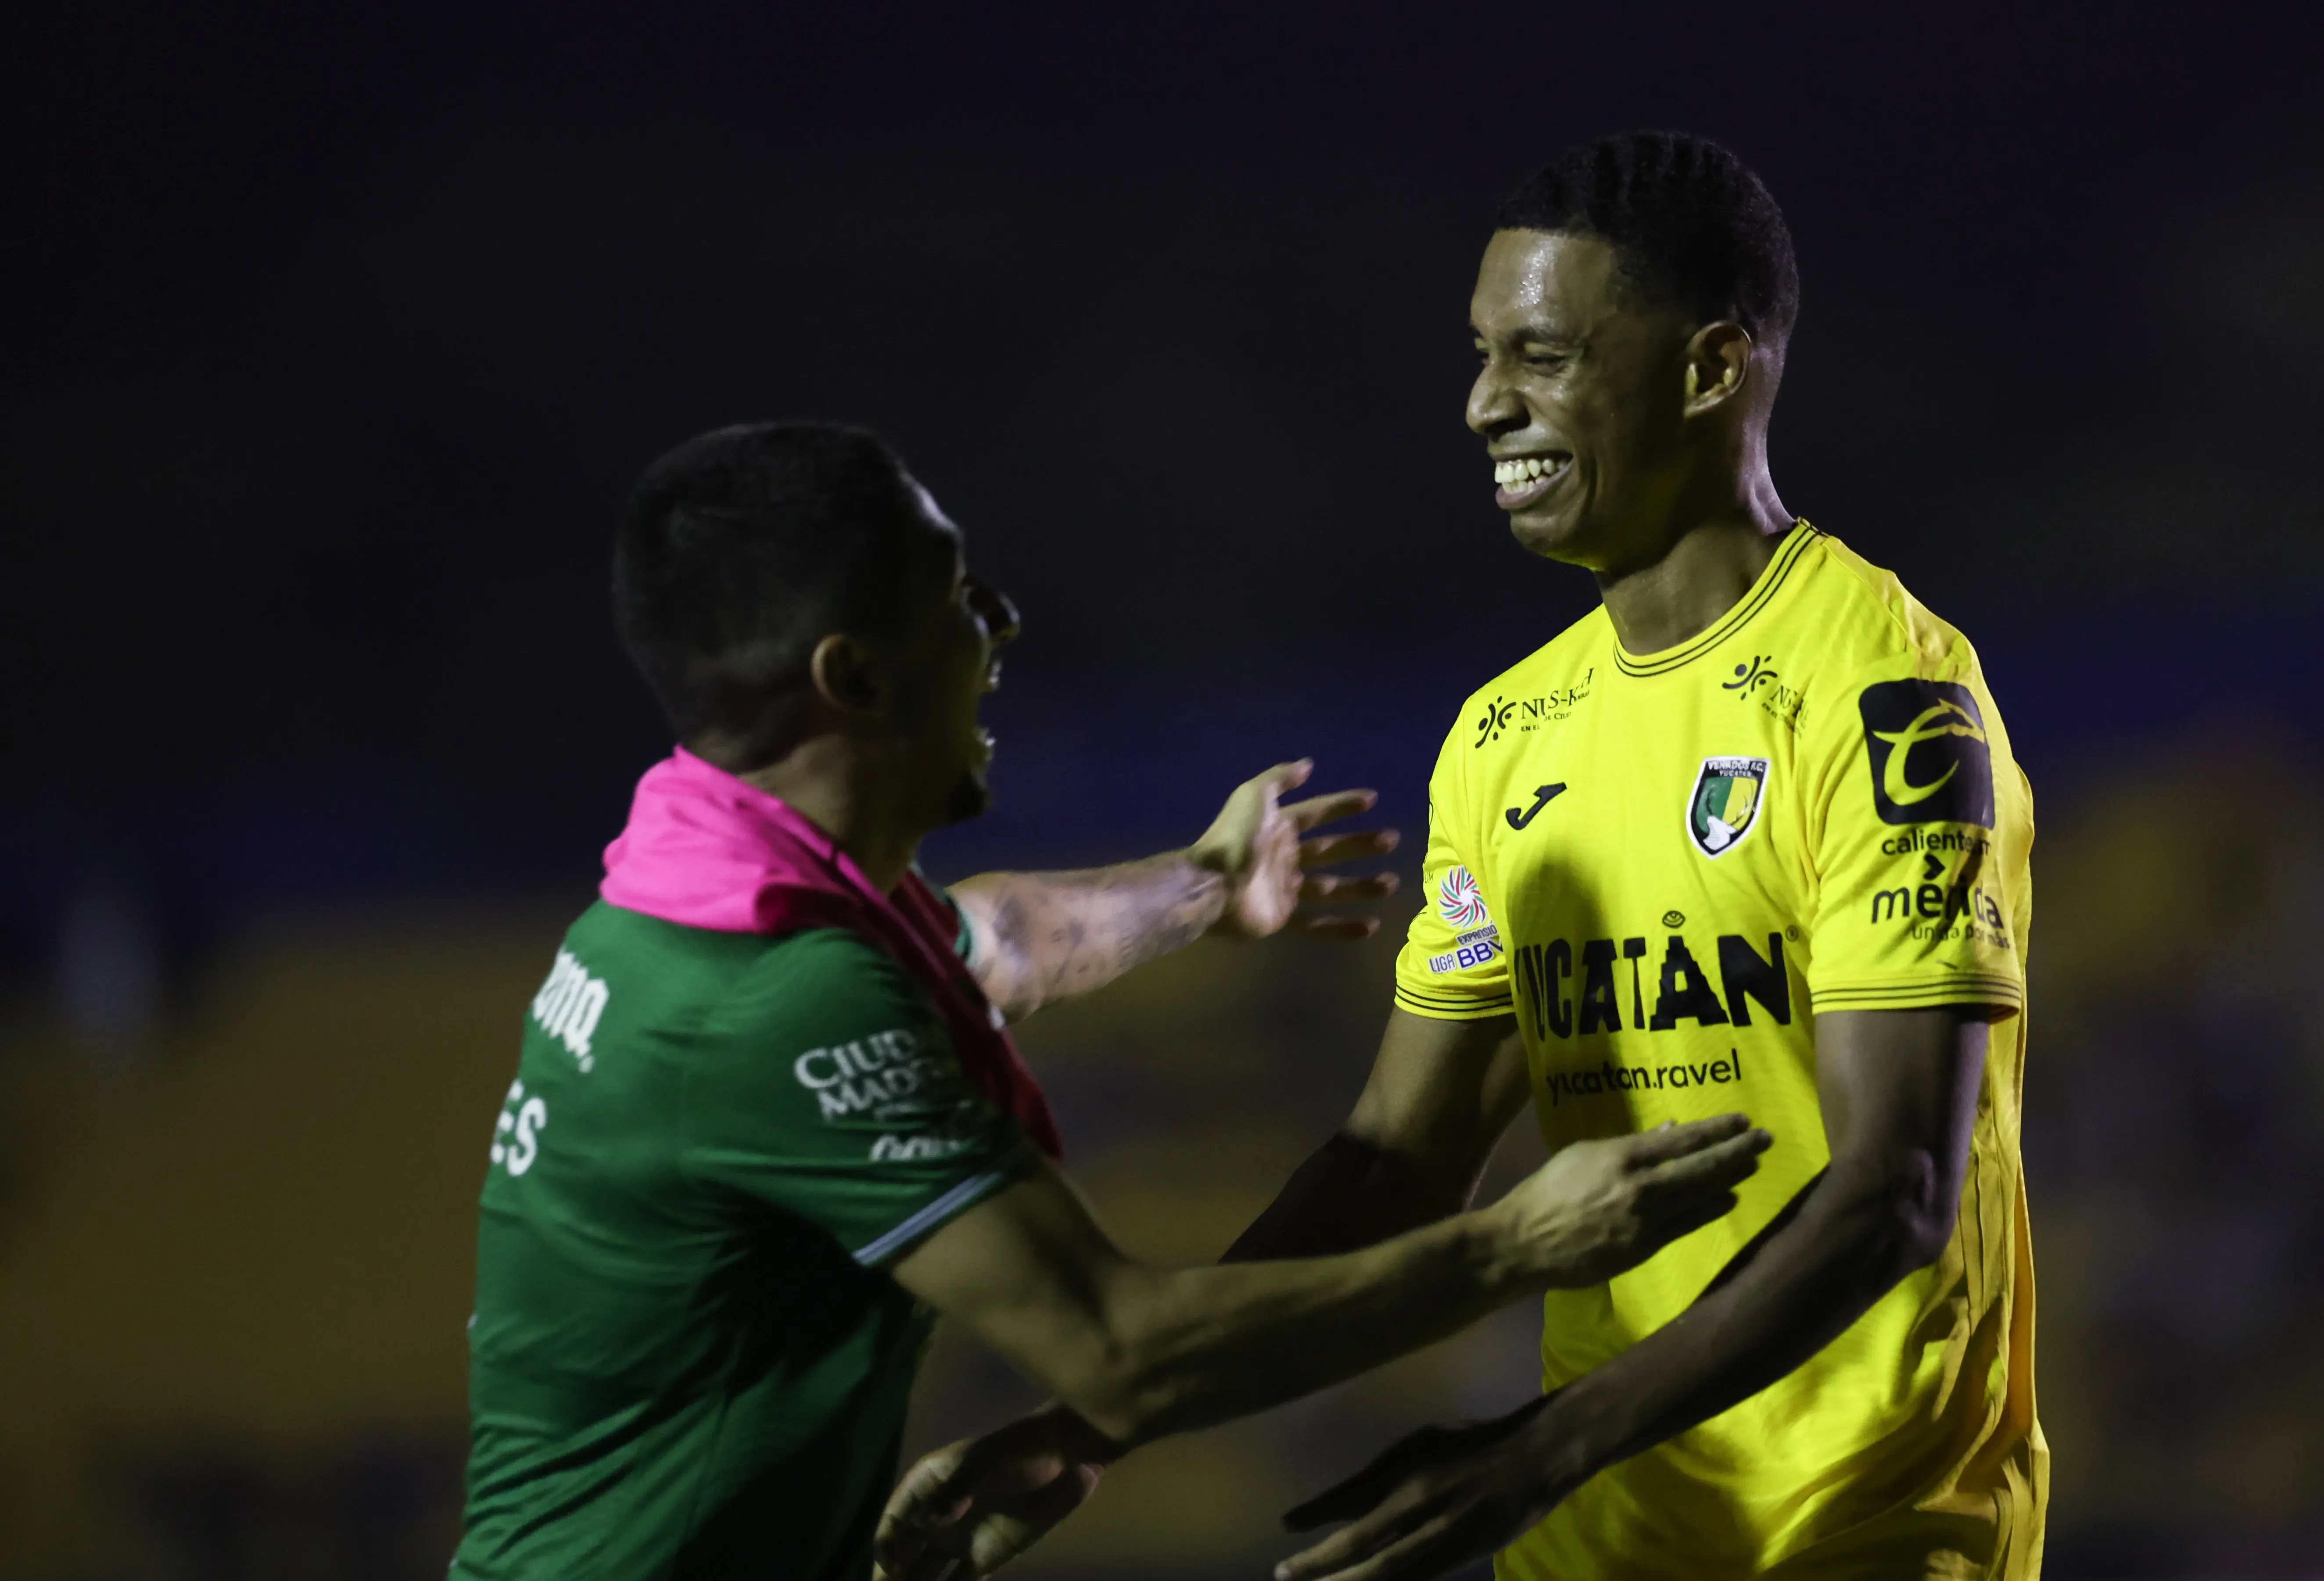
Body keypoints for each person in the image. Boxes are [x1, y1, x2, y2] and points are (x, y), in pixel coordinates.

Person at [881, 131, 2043, 1581]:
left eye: (1544, 356)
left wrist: (1542, 1445)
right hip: (1586, 1535)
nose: (1488, 402)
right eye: (1485, 353)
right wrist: (1097, 1423)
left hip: (1855, 1535)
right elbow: (1398, 1161)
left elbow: (1898, 1189)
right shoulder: (1508, 737)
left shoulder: (1885, 695)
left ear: (1709, 369)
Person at [448, 420, 1774, 1581]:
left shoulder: (707, 896)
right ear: (852, 677)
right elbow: (1123, 1349)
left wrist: (1205, 885)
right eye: (960, 600)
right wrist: (1521, 1247)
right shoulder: (777, 1005)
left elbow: (997, 940)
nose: (1001, 627)